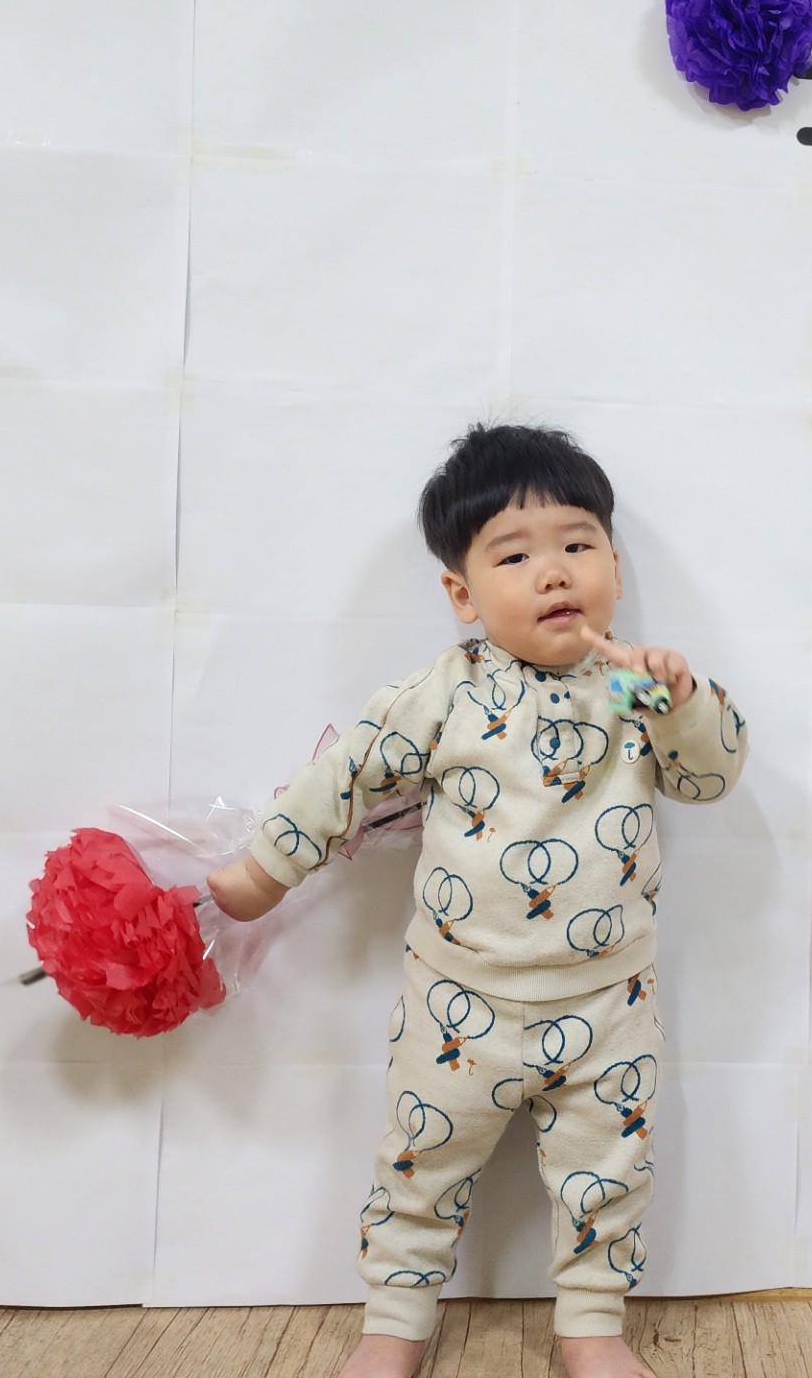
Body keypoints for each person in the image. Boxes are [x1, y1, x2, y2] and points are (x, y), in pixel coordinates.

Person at [207, 423, 748, 1378]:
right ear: (462, 594)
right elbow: (345, 776)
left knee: (608, 1178)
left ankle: (592, 1326)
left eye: (578, 544)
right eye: (515, 555)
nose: (555, 572)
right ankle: (394, 1322)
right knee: (418, 1168)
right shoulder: (446, 693)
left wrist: (687, 699)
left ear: (615, 568)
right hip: (460, 1001)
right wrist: (263, 873)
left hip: (607, 1003)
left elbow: (708, 779)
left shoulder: (630, 686)